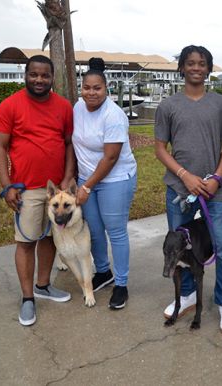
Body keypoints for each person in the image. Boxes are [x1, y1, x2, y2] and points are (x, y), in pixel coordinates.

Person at [154, 45, 222, 335]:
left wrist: (216, 176)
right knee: (179, 249)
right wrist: (184, 175)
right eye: (190, 63)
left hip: (215, 190)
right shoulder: (168, 106)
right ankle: (187, 294)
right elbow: (159, 149)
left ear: (208, 68)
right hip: (180, 190)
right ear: (182, 68)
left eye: (202, 64)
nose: (196, 68)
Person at [0, 55, 76, 326]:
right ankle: (28, 298)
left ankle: (43, 285)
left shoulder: (63, 107)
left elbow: (67, 144)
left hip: (57, 191)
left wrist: (67, 178)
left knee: (50, 239)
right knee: (26, 242)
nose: (39, 80)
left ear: (52, 77)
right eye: (34, 74)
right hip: (25, 189)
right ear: (25, 75)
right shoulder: (10, 105)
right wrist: (7, 187)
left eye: (45, 75)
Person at [73, 58, 137, 310]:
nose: (91, 92)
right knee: (95, 231)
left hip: (115, 179)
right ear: (81, 88)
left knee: (115, 231)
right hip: (86, 179)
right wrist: (79, 179)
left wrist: (86, 186)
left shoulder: (114, 115)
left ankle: (121, 284)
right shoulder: (77, 107)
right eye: (86, 87)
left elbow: (110, 157)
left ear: (106, 88)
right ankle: (103, 272)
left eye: (97, 88)